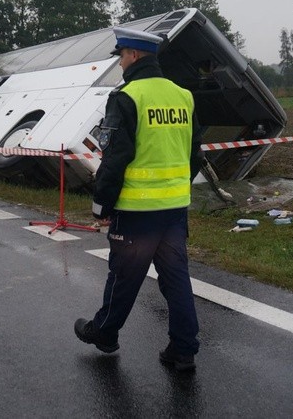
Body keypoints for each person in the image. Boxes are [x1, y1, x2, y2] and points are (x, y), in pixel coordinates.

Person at [74, 26, 203, 371]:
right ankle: (184, 348)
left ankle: (103, 333)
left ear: (132, 55)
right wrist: (176, 187)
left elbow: (115, 157)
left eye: (121, 56)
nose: (119, 64)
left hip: (136, 210)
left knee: (123, 277)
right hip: (175, 209)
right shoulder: (183, 96)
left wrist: (102, 205)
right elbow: (196, 156)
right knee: (176, 279)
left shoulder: (126, 97)